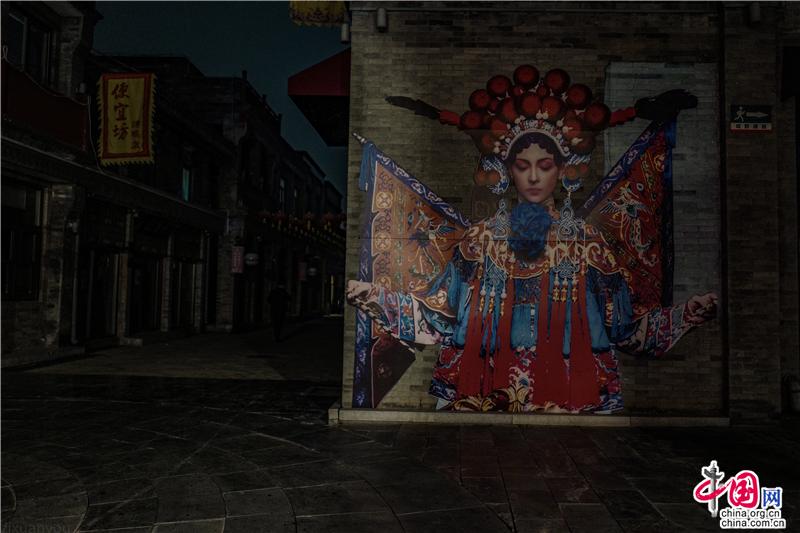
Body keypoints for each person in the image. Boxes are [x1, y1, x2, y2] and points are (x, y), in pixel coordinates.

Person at [347, 65, 717, 413]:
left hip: (572, 399)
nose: (534, 178)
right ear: (508, 171)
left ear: (563, 170)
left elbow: (624, 329)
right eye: (523, 166)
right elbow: (438, 319)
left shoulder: (586, 244)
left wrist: (686, 314)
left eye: (545, 166)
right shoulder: (481, 242)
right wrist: (377, 298)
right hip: (484, 397)